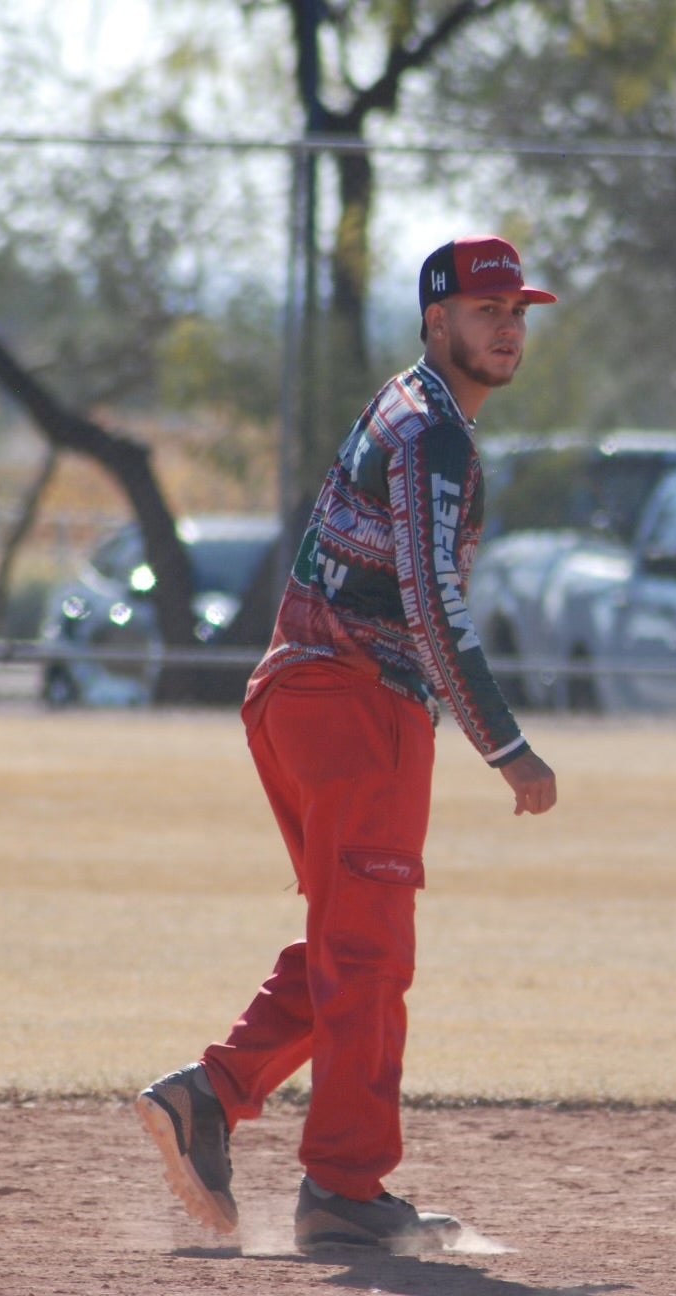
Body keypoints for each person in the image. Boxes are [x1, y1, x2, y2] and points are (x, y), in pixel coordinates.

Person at [134, 234, 560, 1254]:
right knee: (368, 951)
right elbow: (430, 593)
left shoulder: (412, 408)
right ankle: (342, 1189)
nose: (505, 326)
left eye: (516, 312)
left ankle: (211, 1096)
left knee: (350, 939)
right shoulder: (431, 431)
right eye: (483, 310)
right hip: (347, 698)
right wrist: (505, 745)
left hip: (314, 694)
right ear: (435, 319)